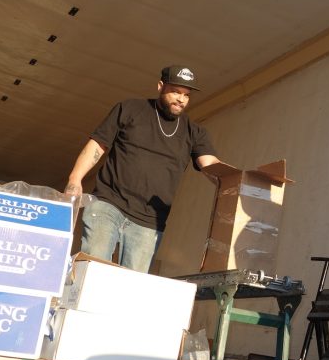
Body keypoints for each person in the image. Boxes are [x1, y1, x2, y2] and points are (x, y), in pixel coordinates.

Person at [65, 65, 220, 273]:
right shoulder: (130, 110)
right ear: (160, 86)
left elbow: (210, 165)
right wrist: (75, 179)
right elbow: (98, 145)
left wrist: (240, 182)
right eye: (176, 92)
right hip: (108, 204)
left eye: (186, 95)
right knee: (92, 271)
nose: (181, 99)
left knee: (132, 285)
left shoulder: (194, 132)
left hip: (149, 221)